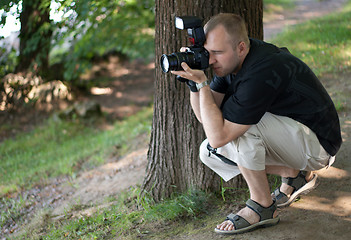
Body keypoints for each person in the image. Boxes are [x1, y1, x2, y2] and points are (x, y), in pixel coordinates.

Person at [171, 13, 342, 235]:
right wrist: (195, 85)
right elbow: (207, 117)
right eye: (207, 53)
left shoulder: (261, 70)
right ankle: (294, 174)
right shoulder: (230, 62)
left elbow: (219, 134)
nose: (210, 60)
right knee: (210, 152)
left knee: (237, 132)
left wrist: (202, 83)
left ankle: (262, 207)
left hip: (319, 145)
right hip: (294, 136)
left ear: (240, 48)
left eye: (217, 53)